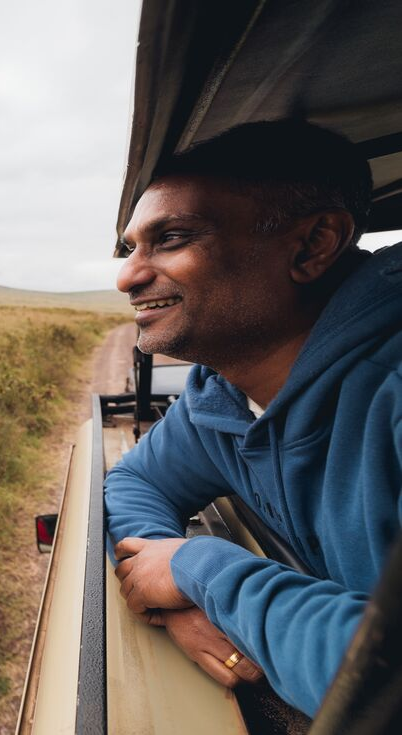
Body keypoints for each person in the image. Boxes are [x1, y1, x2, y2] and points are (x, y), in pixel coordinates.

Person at [104, 119, 402, 717]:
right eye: (131, 247)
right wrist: (174, 596)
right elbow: (135, 481)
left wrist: (198, 570)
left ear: (312, 245)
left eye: (173, 238)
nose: (127, 277)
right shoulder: (221, 398)